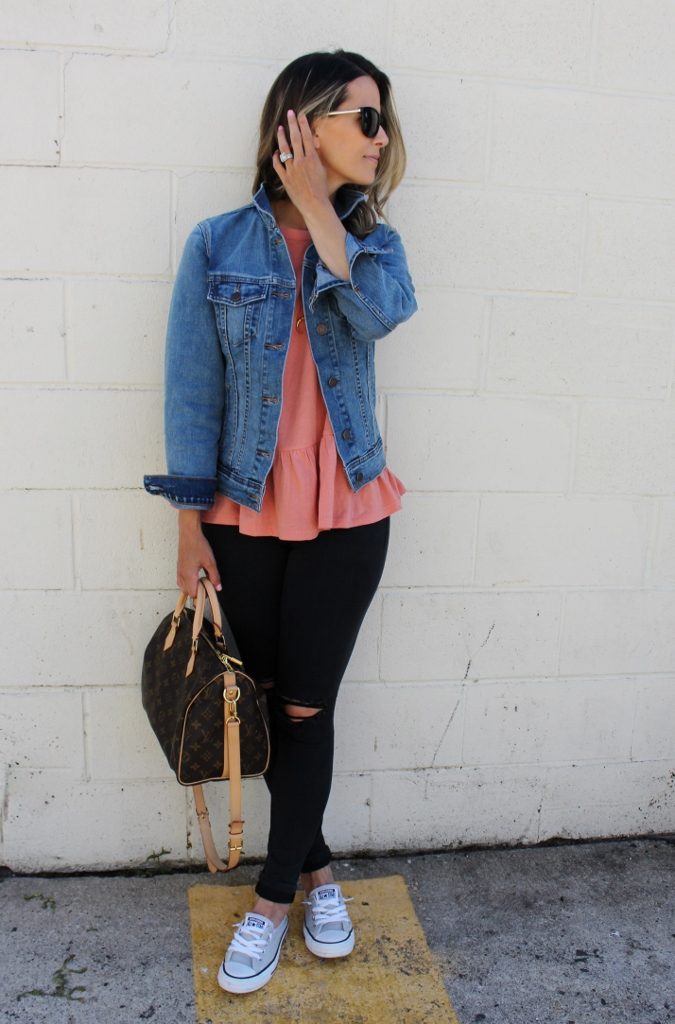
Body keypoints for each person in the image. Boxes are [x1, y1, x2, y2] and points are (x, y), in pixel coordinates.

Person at [144, 48, 417, 995]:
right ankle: (319, 869)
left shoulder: (373, 247)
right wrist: (187, 528)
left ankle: (270, 903)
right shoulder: (216, 244)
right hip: (242, 511)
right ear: (298, 125)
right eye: (363, 119)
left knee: (307, 705)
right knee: (261, 705)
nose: (381, 138)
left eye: (384, 121)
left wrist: (318, 214)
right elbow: (191, 390)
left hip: (346, 511)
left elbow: (381, 317)